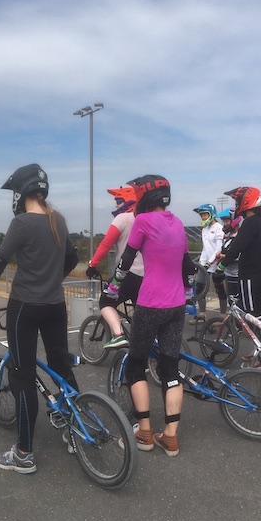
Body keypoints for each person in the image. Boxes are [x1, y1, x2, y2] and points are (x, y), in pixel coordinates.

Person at [0, 164, 79, 474]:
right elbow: (71, 258)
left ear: (20, 193)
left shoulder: (21, 224)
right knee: (61, 368)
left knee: (23, 376)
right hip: (56, 306)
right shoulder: (59, 220)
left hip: (25, 309)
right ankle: (76, 428)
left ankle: (24, 453)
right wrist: (53, 279)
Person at [106, 175, 197, 457]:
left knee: (136, 365)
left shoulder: (143, 222)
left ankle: (145, 432)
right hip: (176, 305)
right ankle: (170, 437)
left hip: (150, 303)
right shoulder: (178, 223)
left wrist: (113, 287)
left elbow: (126, 260)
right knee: (170, 369)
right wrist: (188, 294)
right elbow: (187, 267)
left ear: (144, 196)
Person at [217, 186, 261, 367]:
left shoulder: (250, 223)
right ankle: (258, 351)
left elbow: (237, 247)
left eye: (237, 201)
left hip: (251, 276)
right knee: (257, 313)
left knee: (251, 317)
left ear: (245, 202)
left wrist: (221, 266)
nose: (236, 204)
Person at [85, 186, 144, 349]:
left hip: (127, 274)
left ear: (129, 201)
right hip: (147, 276)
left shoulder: (122, 219)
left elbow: (106, 244)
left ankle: (118, 335)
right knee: (142, 314)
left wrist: (93, 265)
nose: (117, 205)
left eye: (119, 201)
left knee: (105, 302)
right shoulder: (145, 219)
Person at [191, 204, 224, 323]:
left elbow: (218, 249)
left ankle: (222, 316)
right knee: (199, 286)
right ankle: (202, 314)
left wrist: (210, 262)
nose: (203, 217)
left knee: (219, 289)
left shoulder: (219, 228)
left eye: (205, 214)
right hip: (205, 263)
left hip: (216, 263)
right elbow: (206, 248)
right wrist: (201, 262)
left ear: (211, 214)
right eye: (202, 215)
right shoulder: (204, 229)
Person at [214, 208, 241, 308]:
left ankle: (237, 322)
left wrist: (224, 256)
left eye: (227, 221)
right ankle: (232, 322)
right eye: (224, 221)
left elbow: (237, 255)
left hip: (237, 275)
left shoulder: (239, 237)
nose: (225, 224)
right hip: (229, 274)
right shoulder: (228, 238)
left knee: (237, 302)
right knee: (231, 301)